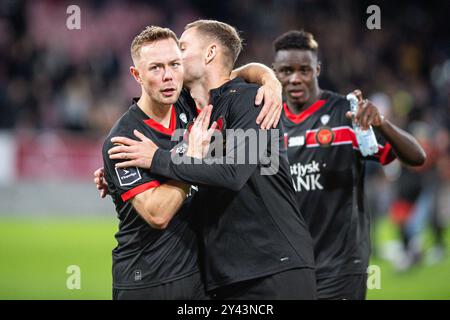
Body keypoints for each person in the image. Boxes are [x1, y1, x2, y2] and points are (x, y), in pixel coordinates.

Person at [108, 20, 317, 300]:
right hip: (222, 276)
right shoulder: (193, 107)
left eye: (182, 48)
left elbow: (232, 173)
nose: (174, 61)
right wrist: (112, 174)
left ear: (209, 54)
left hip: (274, 267)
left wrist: (157, 159)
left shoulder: (252, 100)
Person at [271, 30, 426, 299]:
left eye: (304, 70)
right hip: (290, 268)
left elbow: (416, 157)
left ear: (317, 69)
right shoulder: (268, 123)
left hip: (340, 266)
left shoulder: (347, 114)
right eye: (286, 70)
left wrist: (383, 124)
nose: (295, 78)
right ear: (275, 72)